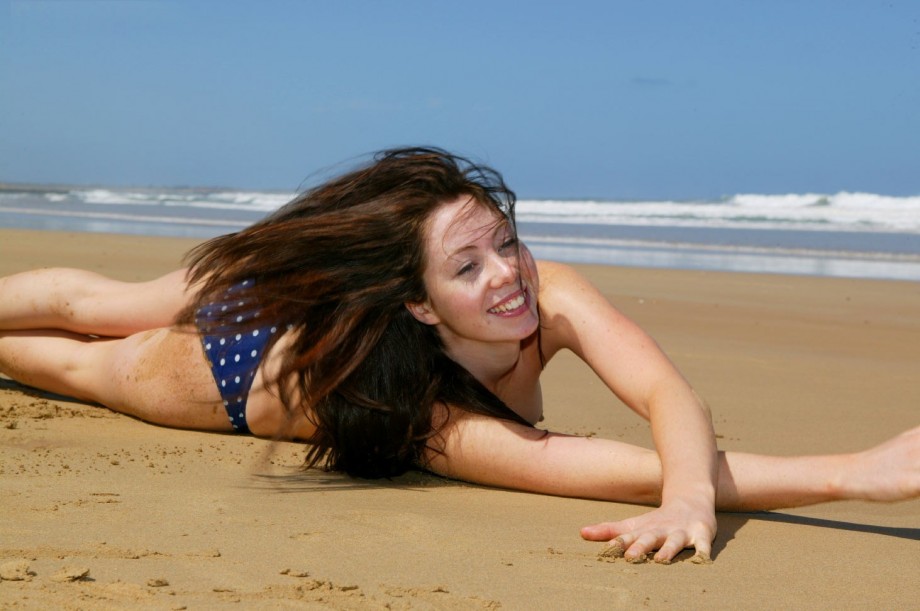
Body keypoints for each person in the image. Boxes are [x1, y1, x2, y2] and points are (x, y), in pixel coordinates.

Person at [0, 147, 917, 564]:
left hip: (261, 383)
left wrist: (698, 494)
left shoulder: (433, 411)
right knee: (96, 315)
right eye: (466, 266)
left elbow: (661, 399)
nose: (506, 277)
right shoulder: (424, 357)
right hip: (234, 363)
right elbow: (608, 468)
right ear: (416, 299)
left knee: (70, 363)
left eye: (505, 244)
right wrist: (846, 474)